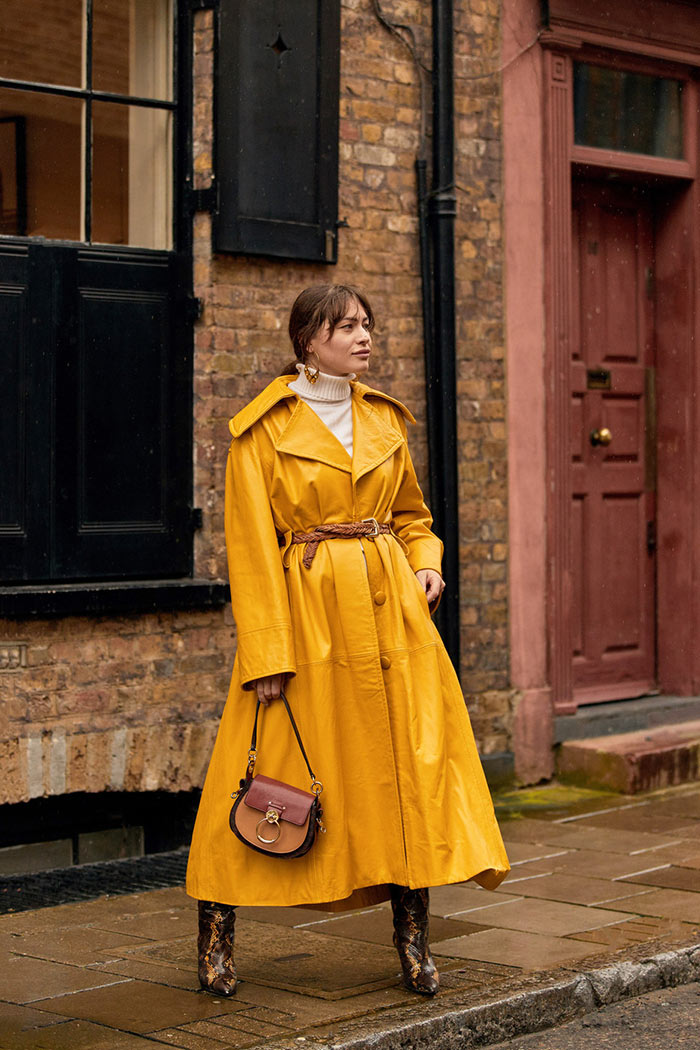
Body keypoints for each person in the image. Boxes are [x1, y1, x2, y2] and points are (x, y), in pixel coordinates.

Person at [186, 283, 509, 997]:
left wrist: (426, 567)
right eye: (346, 327)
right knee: (270, 772)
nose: (364, 337)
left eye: (367, 323)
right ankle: (215, 934)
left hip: (393, 619)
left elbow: (413, 516)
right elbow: (247, 550)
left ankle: (414, 940)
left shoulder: (385, 419)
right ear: (308, 340)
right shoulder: (263, 429)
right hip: (308, 622)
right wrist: (267, 656)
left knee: (405, 775)